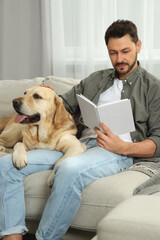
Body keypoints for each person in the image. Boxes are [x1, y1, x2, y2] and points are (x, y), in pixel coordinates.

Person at [1, 19, 160, 240]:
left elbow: (157, 141)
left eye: (125, 51)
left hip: (114, 151)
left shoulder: (153, 88)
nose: (120, 59)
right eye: (113, 52)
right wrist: (47, 96)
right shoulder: (96, 79)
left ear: (138, 46)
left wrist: (123, 146)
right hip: (77, 144)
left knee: (68, 168)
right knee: (6, 165)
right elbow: (61, 106)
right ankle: (12, 237)